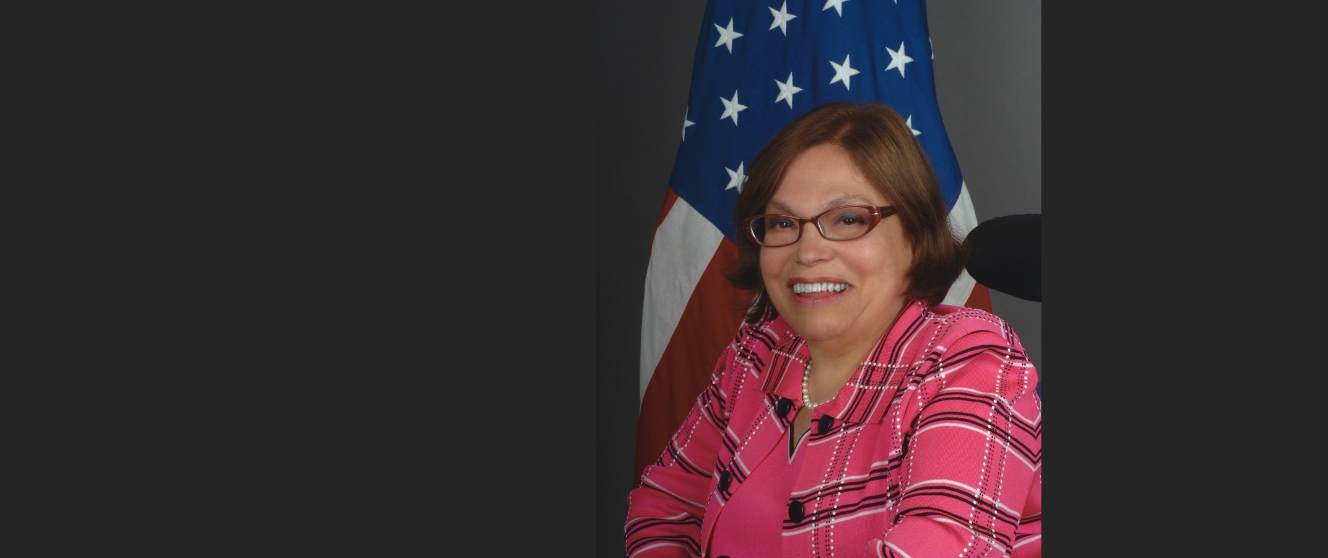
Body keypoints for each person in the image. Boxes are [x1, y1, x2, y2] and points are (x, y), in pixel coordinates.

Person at [624, 102, 1041, 558]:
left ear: (916, 238)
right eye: (783, 223)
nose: (808, 251)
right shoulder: (759, 349)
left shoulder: (969, 361)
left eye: (848, 219)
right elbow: (663, 505)